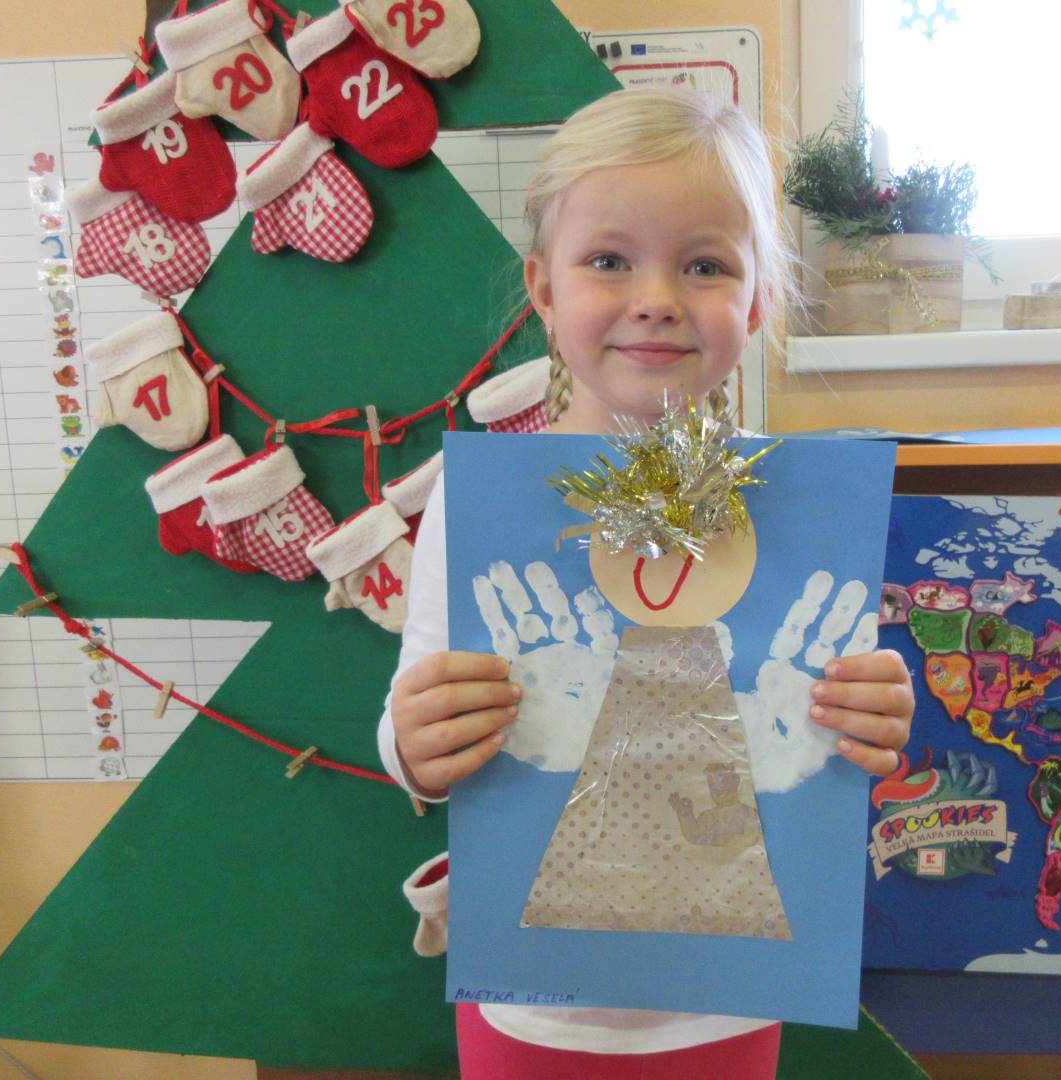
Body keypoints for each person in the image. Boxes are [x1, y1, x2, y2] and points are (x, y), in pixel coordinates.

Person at [377, 87, 916, 1079]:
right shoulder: (481, 501)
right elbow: (413, 719)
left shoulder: (799, 519)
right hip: (527, 1004)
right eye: (609, 261)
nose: (658, 296)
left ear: (758, 301)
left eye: (705, 265)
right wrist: (414, 744)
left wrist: (866, 715)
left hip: (728, 998)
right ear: (543, 289)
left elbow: (833, 736)